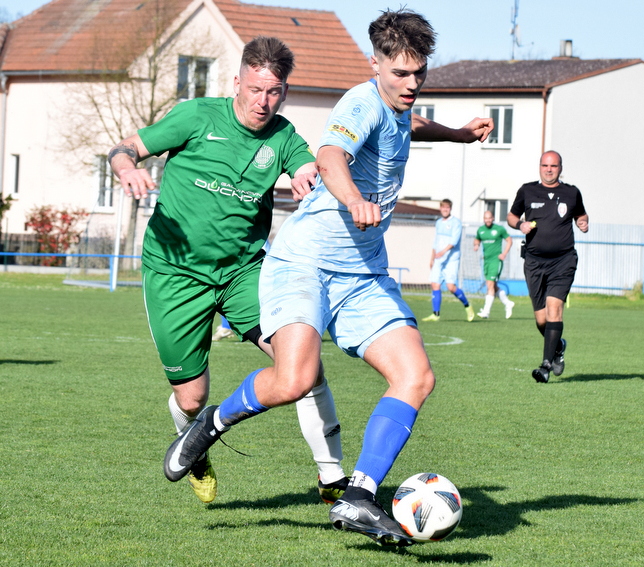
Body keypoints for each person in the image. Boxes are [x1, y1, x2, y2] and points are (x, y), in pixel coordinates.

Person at [163, 9, 493, 546]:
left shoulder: (398, 105)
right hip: (306, 264)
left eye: (419, 73)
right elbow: (331, 153)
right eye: (400, 74)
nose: (411, 84)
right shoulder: (360, 103)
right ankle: (211, 424)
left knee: (416, 376)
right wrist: (354, 198)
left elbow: (409, 125)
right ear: (374, 64)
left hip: (363, 274)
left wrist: (456, 134)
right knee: (294, 380)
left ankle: (358, 495)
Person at [109, 36, 347, 505]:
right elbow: (125, 147)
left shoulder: (282, 135)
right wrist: (126, 168)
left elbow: (305, 163)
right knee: (192, 397)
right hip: (175, 273)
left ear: (284, 91)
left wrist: (305, 173)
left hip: (244, 273)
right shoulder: (196, 116)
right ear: (237, 82)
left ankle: (332, 476)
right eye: (255, 89)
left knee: (303, 364)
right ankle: (195, 450)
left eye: (273, 92)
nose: (263, 101)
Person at [507, 150, 588, 383]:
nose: (549, 169)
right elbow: (511, 217)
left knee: (555, 309)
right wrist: (520, 225)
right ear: (540, 167)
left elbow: (582, 216)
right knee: (542, 320)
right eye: (545, 165)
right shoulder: (527, 190)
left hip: (563, 261)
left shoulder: (571, 193)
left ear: (560, 168)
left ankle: (545, 366)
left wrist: (583, 223)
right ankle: (558, 346)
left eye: (553, 166)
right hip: (534, 262)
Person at [421, 199, 475, 322]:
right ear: (440, 208)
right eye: (443, 207)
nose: (445, 210)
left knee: (451, 287)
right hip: (438, 259)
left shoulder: (456, 223)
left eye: (447, 208)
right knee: (435, 284)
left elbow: (454, 242)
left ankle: (467, 306)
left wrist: (442, 252)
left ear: (450, 209)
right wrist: (432, 258)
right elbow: (435, 242)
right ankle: (436, 314)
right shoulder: (438, 223)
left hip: (451, 259)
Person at [473, 209, 515, 319]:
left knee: (490, 285)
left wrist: (504, 253)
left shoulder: (499, 229)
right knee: (493, 286)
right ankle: (508, 303)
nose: (487, 220)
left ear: (493, 218)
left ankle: (486, 312)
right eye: (485, 218)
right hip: (486, 261)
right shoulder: (481, 230)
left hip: (496, 261)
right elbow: (477, 239)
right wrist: (476, 245)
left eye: (489, 218)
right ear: (483, 219)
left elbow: (509, 240)